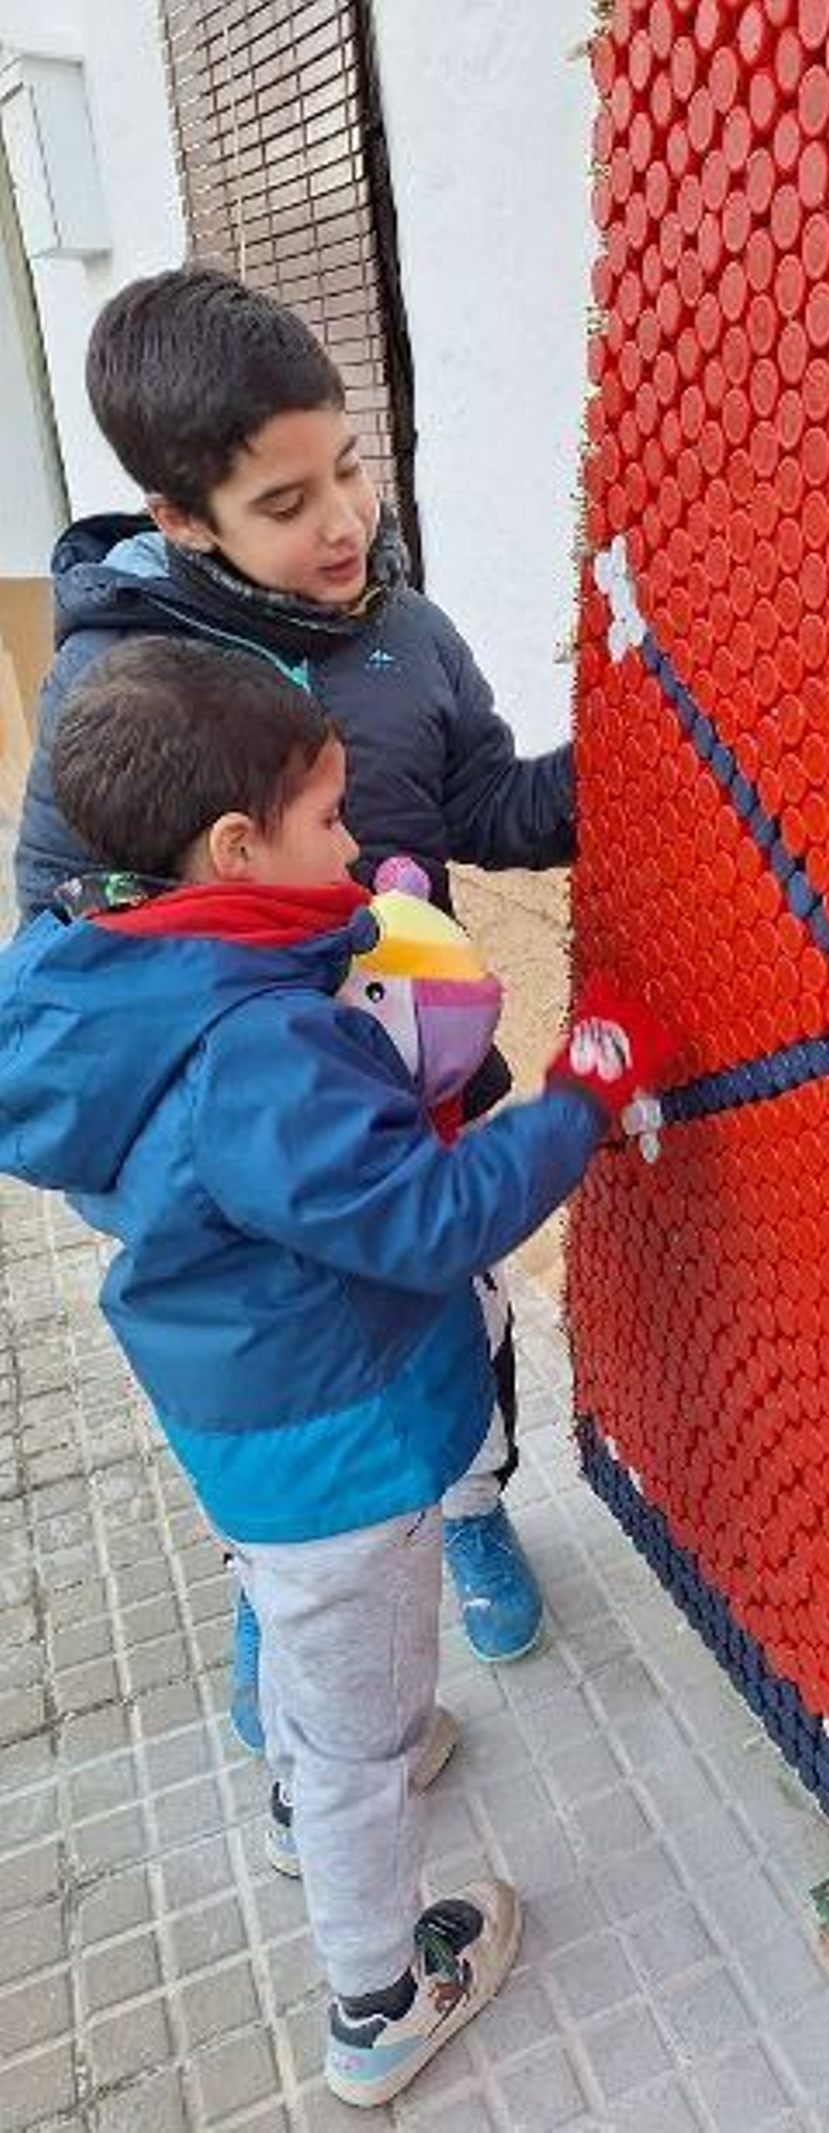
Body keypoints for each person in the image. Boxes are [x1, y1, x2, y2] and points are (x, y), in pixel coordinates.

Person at [0, 638, 671, 2105]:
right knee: (364, 1724)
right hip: (330, 1442)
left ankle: (322, 1772)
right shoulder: (256, 1048)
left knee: (311, 1641)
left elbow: (225, 1172)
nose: (357, 844)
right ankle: (377, 1993)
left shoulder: (95, 964)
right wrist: (576, 1100)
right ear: (237, 847)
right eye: (328, 821)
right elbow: (428, 1221)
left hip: (237, 1411)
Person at [12, 265, 574, 1729]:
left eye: (350, 469)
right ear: (181, 517)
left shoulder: (409, 635)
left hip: (420, 1109)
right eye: (285, 501)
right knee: (290, 1408)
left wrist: (642, 742)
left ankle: (471, 1511)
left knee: (464, 1321)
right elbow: (65, 948)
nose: (342, 523)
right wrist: (191, 1156)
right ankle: (288, 1592)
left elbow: (492, 808)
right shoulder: (116, 692)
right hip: (242, 1186)